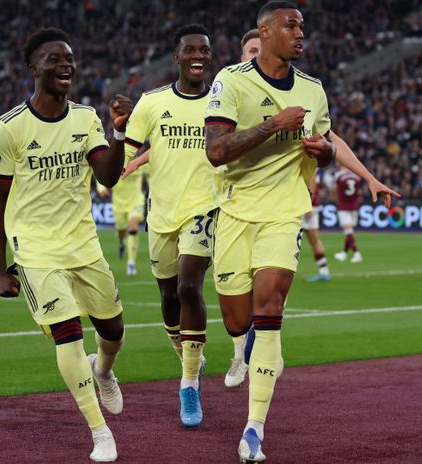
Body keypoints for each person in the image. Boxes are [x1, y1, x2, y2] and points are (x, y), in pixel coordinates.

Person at [0, 27, 130, 462]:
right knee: (68, 333)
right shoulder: (8, 128)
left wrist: (119, 135)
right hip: (34, 249)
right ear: (33, 68)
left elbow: (106, 176)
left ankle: (103, 370)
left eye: (69, 58)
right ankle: (100, 433)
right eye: (54, 58)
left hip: (83, 243)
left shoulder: (86, 118)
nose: (65, 64)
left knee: (113, 330)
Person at [204, 2, 340, 460]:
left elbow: (325, 152)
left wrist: (322, 152)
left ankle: (253, 430)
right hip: (237, 212)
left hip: (284, 212)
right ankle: (251, 346)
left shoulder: (314, 90)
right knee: (238, 322)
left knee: (270, 306)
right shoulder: (232, 80)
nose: (301, 33)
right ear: (266, 31)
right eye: (291, 25)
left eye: (303, 26)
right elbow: (216, 152)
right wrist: (273, 125)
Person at [120, 24, 215, 429]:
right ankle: (187, 352)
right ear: (176, 57)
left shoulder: (223, 102)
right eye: (190, 49)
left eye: (205, 50)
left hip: (206, 209)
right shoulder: (152, 102)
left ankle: (188, 384)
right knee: (168, 297)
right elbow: (123, 151)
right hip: (160, 214)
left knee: (189, 286)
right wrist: (115, 131)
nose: (198, 56)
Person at [96, 162, 145, 276]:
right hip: (119, 205)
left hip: (136, 202)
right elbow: (101, 173)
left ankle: (131, 263)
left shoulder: (138, 164)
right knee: (121, 232)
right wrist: (101, 188)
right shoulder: (115, 164)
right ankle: (121, 243)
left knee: (133, 228)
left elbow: (153, 170)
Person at [302, 168, 331, 281]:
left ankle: (324, 271)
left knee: (314, 239)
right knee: (313, 240)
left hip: (308, 206)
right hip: (307, 205)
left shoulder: (311, 165)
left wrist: (308, 204)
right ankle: (324, 271)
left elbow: (312, 180)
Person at [333, 162, 364, 263]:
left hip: (343, 206)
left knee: (348, 232)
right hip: (354, 206)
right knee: (349, 231)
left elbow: (334, 189)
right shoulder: (357, 176)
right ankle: (344, 254)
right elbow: (359, 192)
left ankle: (357, 254)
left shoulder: (338, 175)